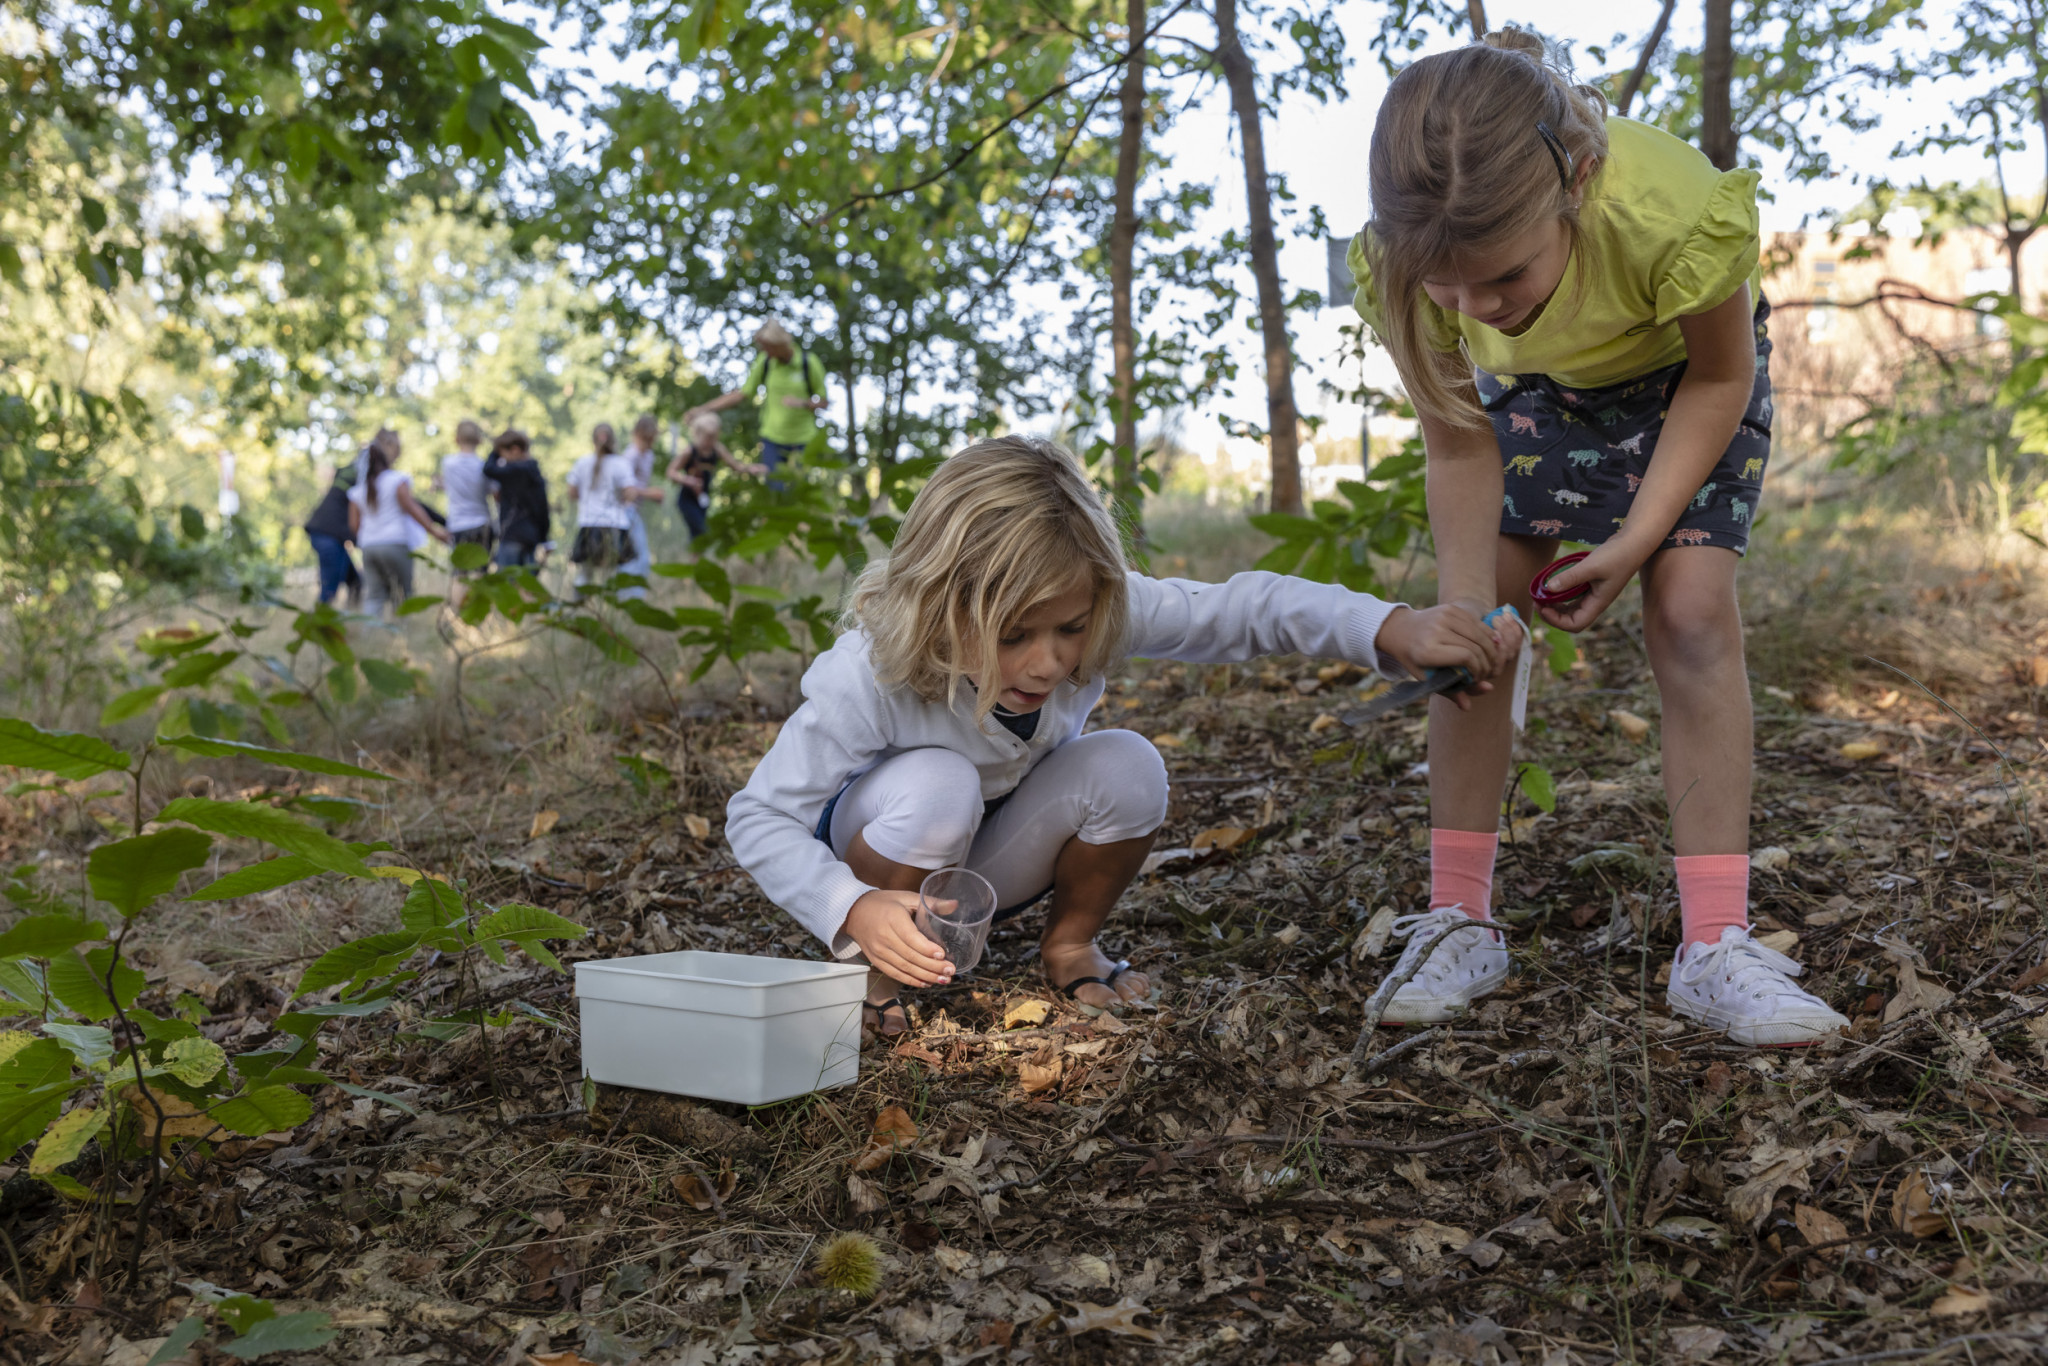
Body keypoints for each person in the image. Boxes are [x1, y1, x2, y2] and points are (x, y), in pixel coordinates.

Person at [1346, 29, 1847, 1047]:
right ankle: (1459, 917)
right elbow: (1455, 442)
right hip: (1534, 402)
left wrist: (1632, 541)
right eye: (1447, 289)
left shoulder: (1668, 212)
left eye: (1499, 279)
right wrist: (1464, 602)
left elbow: (1716, 380)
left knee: (1690, 611)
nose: (1473, 308)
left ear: (1573, 182)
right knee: (1472, 637)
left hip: (1684, 384)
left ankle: (1714, 944)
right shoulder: (1409, 268)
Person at [724, 436, 1512, 1040]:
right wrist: (850, 906)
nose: (1051, 661)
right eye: (1014, 635)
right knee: (939, 784)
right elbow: (758, 817)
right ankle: (874, 979)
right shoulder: (870, 672)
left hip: (982, 865)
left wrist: (1387, 627)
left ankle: (1069, 950)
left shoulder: (1097, 609)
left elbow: (1244, 609)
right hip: (887, 846)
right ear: (942, 606)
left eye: (1070, 629)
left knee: (1128, 766)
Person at [685, 321, 829, 484]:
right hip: (772, 440)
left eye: (768, 346)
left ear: (780, 343)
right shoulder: (765, 362)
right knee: (775, 492)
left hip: (803, 440)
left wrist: (803, 403)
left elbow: (824, 403)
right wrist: (703, 410)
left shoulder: (808, 363)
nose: (765, 351)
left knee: (801, 491)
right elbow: (741, 394)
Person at [347, 428, 452, 617]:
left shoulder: (358, 491)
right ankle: (404, 637)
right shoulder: (397, 480)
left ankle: (369, 638)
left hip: (368, 546)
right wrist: (435, 531)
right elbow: (412, 509)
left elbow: (354, 526)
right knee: (404, 595)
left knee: (374, 596)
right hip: (395, 543)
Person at [566, 422, 663, 596]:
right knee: (624, 571)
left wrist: (589, 499)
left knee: (585, 573)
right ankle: (623, 608)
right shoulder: (620, 464)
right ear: (613, 441)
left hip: (588, 525)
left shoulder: (582, 462)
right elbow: (630, 493)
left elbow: (572, 493)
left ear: (593, 440)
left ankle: (575, 610)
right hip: (616, 526)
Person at [665, 412, 766, 541]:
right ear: (698, 434)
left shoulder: (717, 449)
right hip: (687, 499)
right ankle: (694, 558)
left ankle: (694, 560)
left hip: (704, 497)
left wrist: (752, 469)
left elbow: (736, 466)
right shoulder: (690, 451)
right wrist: (688, 480)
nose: (710, 441)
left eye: (713, 437)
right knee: (702, 529)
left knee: (698, 537)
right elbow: (670, 472)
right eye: (707, 437)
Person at [484, 428, 550, 569]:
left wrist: (495, 451)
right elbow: (543, 509)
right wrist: (544, 538)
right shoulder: (534, 472)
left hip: (512, 535)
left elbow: (488, 469)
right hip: (532, 537)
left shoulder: (516, 470)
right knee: (525, 586)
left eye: (502, 454)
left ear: (514, 450)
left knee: (506, 585)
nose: (502, 459)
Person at [435, 419, 496, 567]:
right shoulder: (484, 466)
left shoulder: (448, 464)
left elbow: (450, 485)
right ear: (479, 441)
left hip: (457, 525)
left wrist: (438, 485)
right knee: (480, 573)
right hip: (482, 524)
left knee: (460, 574)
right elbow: (493, 491)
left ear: (456, 439)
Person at [302, 463, 362, 607]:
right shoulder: (359, 484)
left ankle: (351, 618)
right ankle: (319, 624)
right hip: (328, 536)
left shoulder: (350, 479)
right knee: (329, 590)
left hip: (330, 535)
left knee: (355, 581)